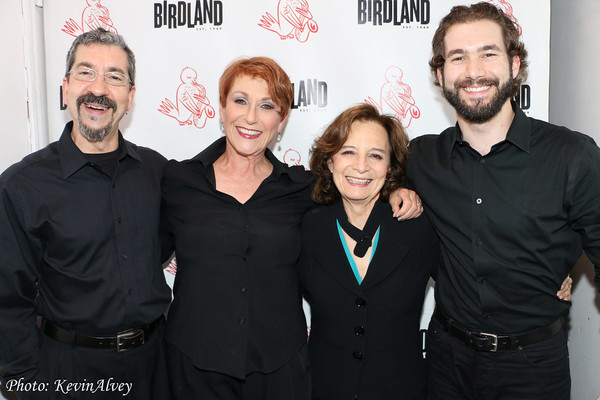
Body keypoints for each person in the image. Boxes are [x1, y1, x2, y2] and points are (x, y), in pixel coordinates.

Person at [161, 57, 421, 400]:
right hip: (193, 371)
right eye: (240, 101)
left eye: (267, 106)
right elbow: (144, 261)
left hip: (280, 372)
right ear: (221, 109)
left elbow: (355, 184)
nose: (251, 116)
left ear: (281, 121)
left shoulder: (303, 189)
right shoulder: (178, 181)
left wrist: (396, 190)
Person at [406, 2, 600, 399]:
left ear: (514, 66)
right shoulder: (420, 158)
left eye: (488, 54)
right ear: (441, 74)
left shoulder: (572, 155)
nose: (474, 72)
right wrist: (396, 189)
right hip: (445, 361)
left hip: (533, 368)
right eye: (458, 57)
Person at [0, 28, 171, 399]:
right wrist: (25, 385)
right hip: (69, 375)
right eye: (85, 72)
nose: (99, 89)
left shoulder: (157, 173)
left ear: (130, 95)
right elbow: (8, 301)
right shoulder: (22, 185)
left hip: (156, 368)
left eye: (114, 77)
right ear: (65, 87)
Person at [299, 104, 439, 399]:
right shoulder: (305, 228)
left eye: (375, 155)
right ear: (329, 161)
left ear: (390, 167)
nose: (361, 166)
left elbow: (468, 277)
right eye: (348, 152)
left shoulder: (419, 228)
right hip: (323, 389)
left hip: (402, 390)